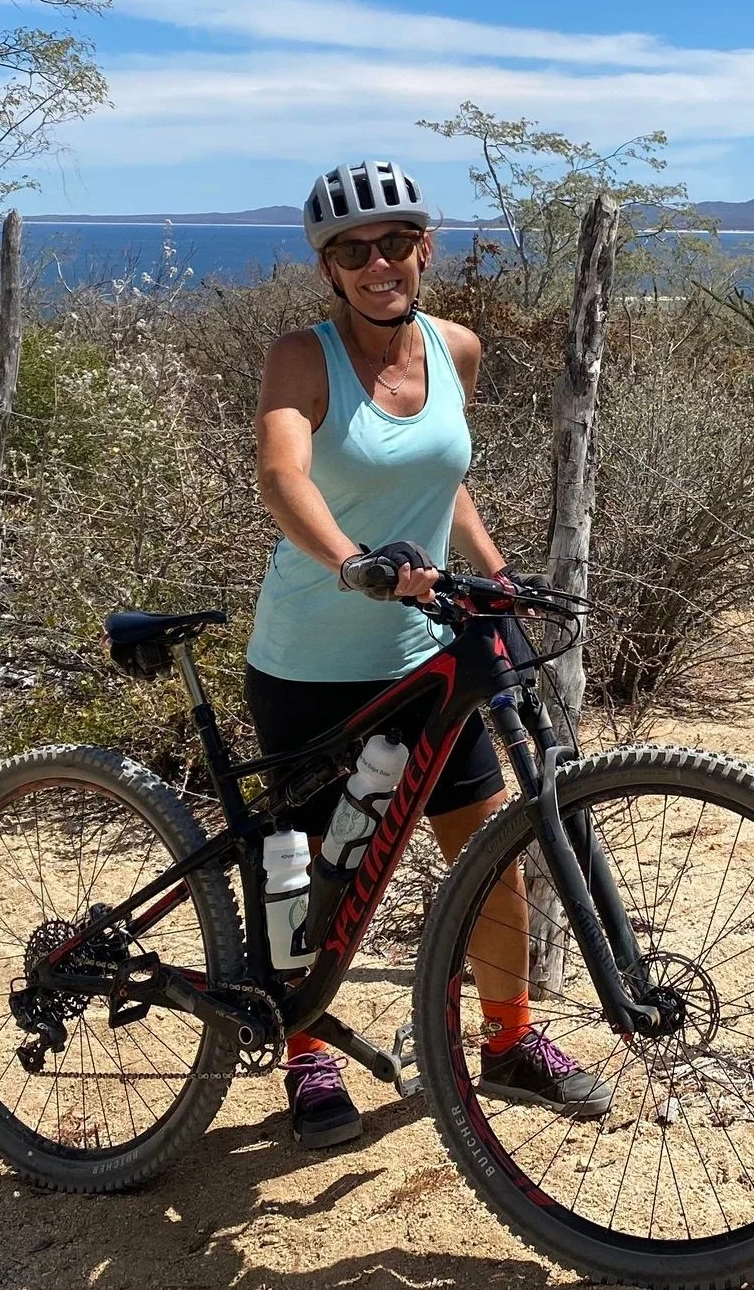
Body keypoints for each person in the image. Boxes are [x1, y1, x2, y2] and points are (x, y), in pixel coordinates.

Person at [247, 160, 615, 1148]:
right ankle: (305, 1049)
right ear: (328, 269)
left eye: (396, 242)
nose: (379, 263)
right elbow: (283, 475)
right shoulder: (302, 357)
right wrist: (352, 561)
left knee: (485, 849)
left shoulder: (456, 349)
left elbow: (440, 483)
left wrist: (497, 577)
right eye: (353, 250)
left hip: (429, 651)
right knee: (309, 867)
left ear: (424, 248)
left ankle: (509, 1039)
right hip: (312, 658)